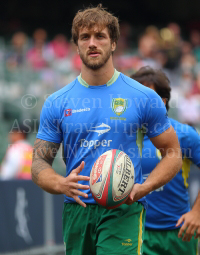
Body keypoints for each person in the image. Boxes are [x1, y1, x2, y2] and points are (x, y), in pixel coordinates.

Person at [31, 5, 182, 255]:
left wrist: (144, 187)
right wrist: (60, 183)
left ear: (113, 43)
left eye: (100, 36)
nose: (92, 43)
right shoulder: (57, 102)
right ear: (76, 45)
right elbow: (38, 163)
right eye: (84, 37)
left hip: (123, 210)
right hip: (76, 209)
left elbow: (173, 152)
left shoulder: (143, 97)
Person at [131, 66, 200, 255]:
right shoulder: (123, 136)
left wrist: (197, 213)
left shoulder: (184, 134)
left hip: (178, 234)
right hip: (135, 233)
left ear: (161, 102)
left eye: (146, 97)